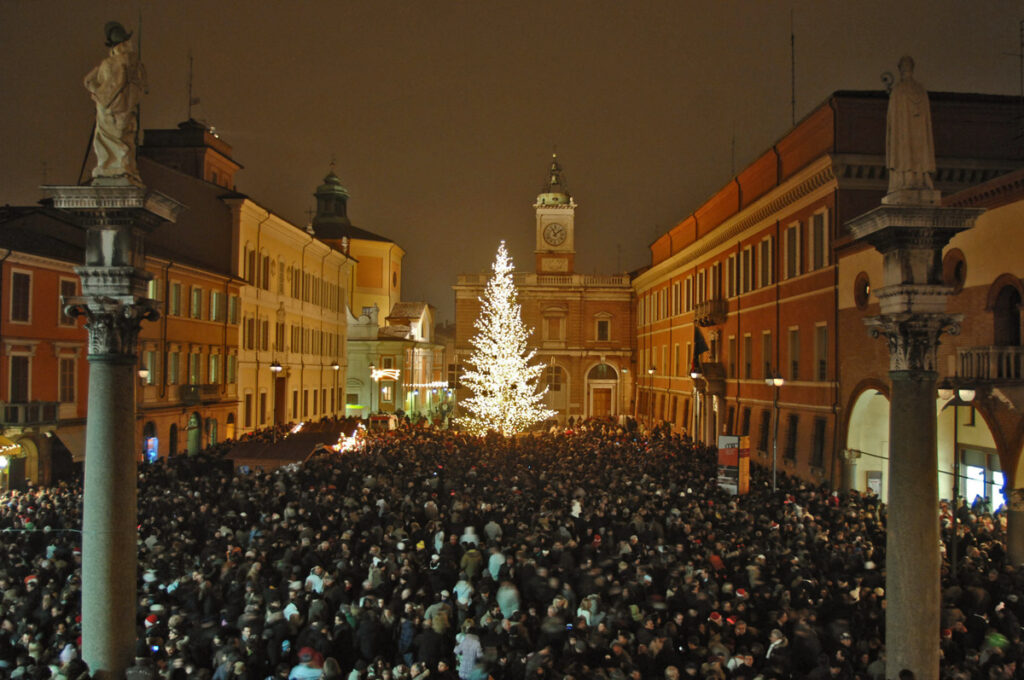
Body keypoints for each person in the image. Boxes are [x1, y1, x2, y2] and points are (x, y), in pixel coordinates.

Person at [885, 55, 935, 197]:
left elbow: (892, 123)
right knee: (919, 153)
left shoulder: (898, 90)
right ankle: (920, 177)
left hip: (903, 136)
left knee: (904, 154)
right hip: (919, 135)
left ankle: (906, 178)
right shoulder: (921, 90)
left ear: (901, 69)